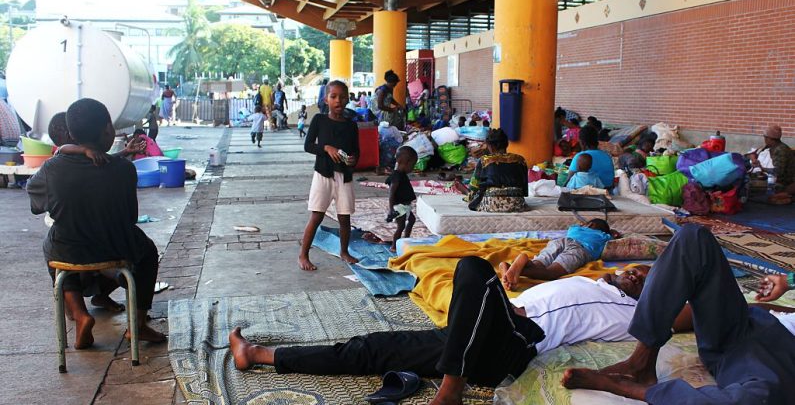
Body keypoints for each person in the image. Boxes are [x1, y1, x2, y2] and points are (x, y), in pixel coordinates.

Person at [227, 256, 678, 404]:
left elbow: (690, 310)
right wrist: (516, 266)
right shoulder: (587, 278)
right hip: (482, 330)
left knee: (470, 268)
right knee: (372, 348)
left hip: (517, 342)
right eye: (637, 271)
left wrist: (664, 291)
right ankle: (261, 355)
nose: (638, 277)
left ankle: (451, 388)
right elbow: (536, 264)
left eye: (648, 278)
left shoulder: (640, 316)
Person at [562, 224, 795, 403]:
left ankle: (637, 389)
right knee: (693, 237)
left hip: (773, 362)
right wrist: (787, 282)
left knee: (760, 398)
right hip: (751, 325)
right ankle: (641, 362)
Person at [27, 98, 166, 349]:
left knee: (52, 245)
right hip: (116, 249)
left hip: (70, 250)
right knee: (147, 251)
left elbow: (36, 203)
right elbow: (130, 217)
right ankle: (138, 325)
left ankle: (79, 313)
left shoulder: (52, 169)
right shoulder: (124, 169)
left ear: (71, 135)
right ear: (107, 131)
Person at [298, 81, 360, 271]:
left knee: (344, 217)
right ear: (326, 99)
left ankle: (344, 251)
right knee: (317, 216)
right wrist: (326, 148)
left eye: (342, 97)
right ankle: (303, 255)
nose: (338, 100)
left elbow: (356, 152)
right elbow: (308, 146)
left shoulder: (351, 125)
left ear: (348, 99)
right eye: (333, 96)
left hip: (345, 177)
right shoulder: (319, 120)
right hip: (323, 175)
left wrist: (352, 160)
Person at [500, 219, 613, 290]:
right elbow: (614, 240)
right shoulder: (604, 236)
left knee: (538, 265)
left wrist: (583, 225)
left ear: (589, 224)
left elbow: (577, 225)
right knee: (550, 273)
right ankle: (516, 270)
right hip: (579, 249)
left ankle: (513, 267)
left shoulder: (575, 229)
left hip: (560, 241)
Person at [463, 128, 528, 212]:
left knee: (474, 200)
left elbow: (474, 188)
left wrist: (467, 195)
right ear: (506, 144)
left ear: (490, 146)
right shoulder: (520, 159)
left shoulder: (484, 160)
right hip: (517, 204)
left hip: (492, 204)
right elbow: (524, 190)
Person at [386, 146, 418, 253]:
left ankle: (406, 239)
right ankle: (394, 245)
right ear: (402, 162)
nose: (412, 168)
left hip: (406, 206)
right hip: (399, 206)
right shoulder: (396, 176)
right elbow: (391, 193)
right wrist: (391, 209)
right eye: (412, 165)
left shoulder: (402, 174)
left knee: (412, 220)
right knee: (401, 226)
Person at [749, 125, 794, 192]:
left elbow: (779, 172)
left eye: (765, 138)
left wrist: (762, 168)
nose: (764, 140)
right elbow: (753, 153)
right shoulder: (772, 146)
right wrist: (754, 159)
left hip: (786, 182)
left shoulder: (781, 150)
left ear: (769, 139)